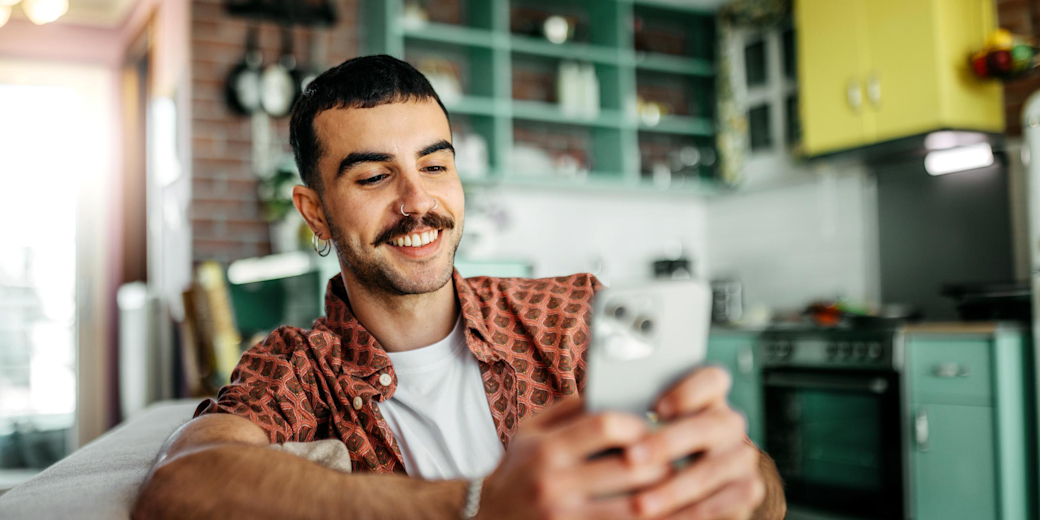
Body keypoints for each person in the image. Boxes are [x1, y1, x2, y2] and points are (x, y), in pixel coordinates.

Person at [132, 54, 785, 520]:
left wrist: (732, 478)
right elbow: (180, 484)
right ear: (315, 212)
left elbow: (757, 485)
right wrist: (479, 505)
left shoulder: (571, 313)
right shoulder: (297, 369)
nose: (418, 201)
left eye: (436, 166)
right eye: (373, 177)